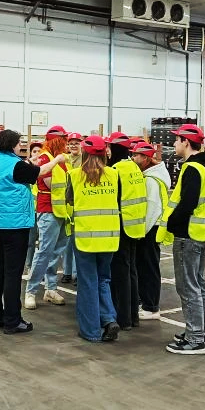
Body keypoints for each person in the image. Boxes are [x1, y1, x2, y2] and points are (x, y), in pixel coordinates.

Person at [0, 130, 66, 335]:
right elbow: (39, 172)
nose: (21, 146)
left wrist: (30, 161)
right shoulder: (15, 165)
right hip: (13, 225)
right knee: (13, 273)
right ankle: (12, 320)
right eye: (20, 143)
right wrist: (57, 160)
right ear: (11, 144)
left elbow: (17, 171)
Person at [164, 124, 205, 355]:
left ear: (186, 142)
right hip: (202, 232)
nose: (174, 144)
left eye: (177, 140)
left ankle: (195, 339)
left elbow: (187, 203)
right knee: (199, 284)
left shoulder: (192, 168)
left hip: (188, 234)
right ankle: (200, 333)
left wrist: (172, 222)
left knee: (188, 287)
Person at [65, 135, 120, 343]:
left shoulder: (74, 175)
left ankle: (91, 331)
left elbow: (69, 200)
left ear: (84, 153)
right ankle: (109, 319)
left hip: (85, 238)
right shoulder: (114, 174)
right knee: (103, 279)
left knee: (88, 283)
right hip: (109, 237)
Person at [24, 125, 70, 310]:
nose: (66, 144)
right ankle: (31, 291)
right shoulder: (46, 158)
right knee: (44, 252)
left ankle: (50, 289)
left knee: (55, 252)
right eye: (64, 140)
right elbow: (51, 183)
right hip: (49, 210)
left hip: (61, 211)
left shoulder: (61, 159)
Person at [108, 132, 147, 331]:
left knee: (120, 274)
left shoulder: (115, 170)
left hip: (122, 226)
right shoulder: (134, 168)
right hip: (136, 226)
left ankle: (123, 319)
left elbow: (113, 198)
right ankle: (133, 316)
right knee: (131, 272)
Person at [132, 142, 173, 321]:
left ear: (145, 158)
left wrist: (140, 233)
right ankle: (146, 302)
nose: (133, 158)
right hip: (152, 228)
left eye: (136, 155)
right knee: (147, 266)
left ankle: (151, 307)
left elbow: (151, 208)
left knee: (148, 268)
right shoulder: (155, 175)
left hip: (150, 229)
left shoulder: (151, 180)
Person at [61, 132, 82, 285]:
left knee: (78, 241)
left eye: (76, 143)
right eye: (71, 143)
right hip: (65, 205)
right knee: (67, 241)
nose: (73, 145)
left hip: (79, 204)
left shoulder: (85, 159)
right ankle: (67, 272)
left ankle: (76, 274)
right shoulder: (64, 159)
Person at [24, 141, 42, 271]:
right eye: (34, 151)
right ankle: (29, 266)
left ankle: (39, 268)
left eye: (39, 151)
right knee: (30, 241)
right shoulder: (26, 169)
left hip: (43, 211)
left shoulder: (46, 169)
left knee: (43, 242)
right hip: (31, 211)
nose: (37, 154)